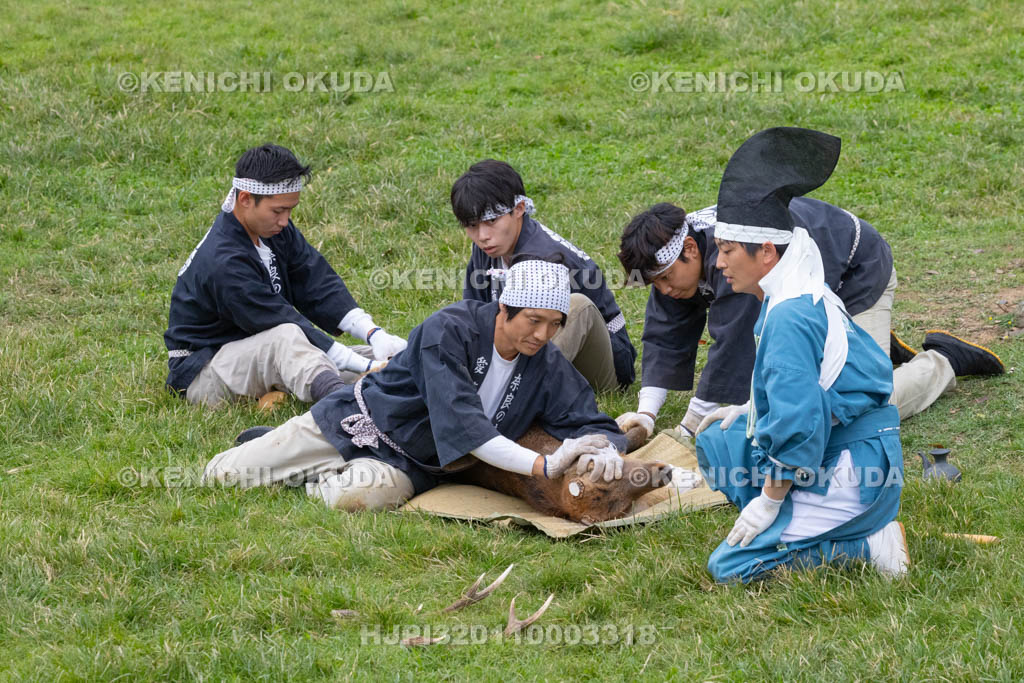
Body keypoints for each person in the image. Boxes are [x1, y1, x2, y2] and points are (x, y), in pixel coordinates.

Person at [203, 255, 628, 511]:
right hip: (356, 420)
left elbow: (592, 421)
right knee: (221, 475)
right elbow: (470, 429)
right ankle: (288, 449)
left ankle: (307, 475)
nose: (542, 335)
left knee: (351, 501)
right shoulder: (450, 330)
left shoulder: (546, 363)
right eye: (533, 321)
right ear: (504, 309)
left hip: (414, 464)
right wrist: (544, 464)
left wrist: (608, 449)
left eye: (554, 325)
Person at [615, 183, 1003, 443]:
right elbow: (665, 335)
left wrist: (690, 429)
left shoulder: (731, 256)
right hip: (803, 297)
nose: (664, 291)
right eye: (655, 284)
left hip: (854, 277)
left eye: (665, 279)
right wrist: (646, 414)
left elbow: (734, 345)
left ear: (692, 250)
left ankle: (942, 361)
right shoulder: (674, 257)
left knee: (862, 404)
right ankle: (873, 344)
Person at [693, 127, 909, 583]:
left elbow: (799, 426)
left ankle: (867, 543)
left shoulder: (790, 313)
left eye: (728, 250)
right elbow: (822, 385)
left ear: (766, 252)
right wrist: (752, 408)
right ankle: (799, 513)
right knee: (718, 441)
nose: (718, 263)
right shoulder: (791, 289)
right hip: (851, 443)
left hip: (859, 467)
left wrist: (767, 502)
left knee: (730, 567)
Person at [164, 144, 407, 408]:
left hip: (262, 354)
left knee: (390, 359)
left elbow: (316, 281)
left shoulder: (273, 230)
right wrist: (368, 367)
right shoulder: (223, 261)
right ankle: (344, 406)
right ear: (245, 199)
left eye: (290, 210)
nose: (284, 220)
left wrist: (374, 334)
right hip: (204, 371)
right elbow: (278, 322)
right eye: (278, 211)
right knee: (290, 337)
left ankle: (405, 380)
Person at [453, 159, 637, 392]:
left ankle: (514, 395)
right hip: (533, 352)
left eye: (491, 221)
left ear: (519, 209)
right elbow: (474, 316)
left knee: (575, 306)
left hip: (601, 366)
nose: (482, 236)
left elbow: (536, 334)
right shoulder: (486, 248)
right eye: (471, 225)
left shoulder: (544, 258)